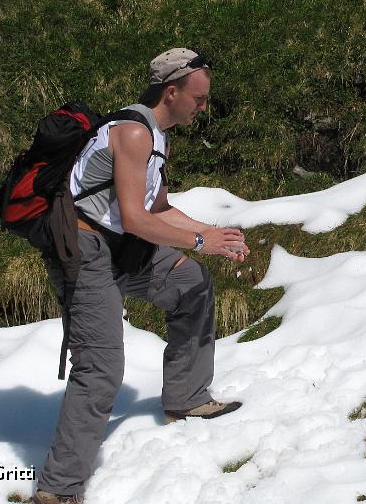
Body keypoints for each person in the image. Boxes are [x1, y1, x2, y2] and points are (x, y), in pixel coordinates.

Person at [33, 48, 250, 504]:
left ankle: (186, 397)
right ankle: (57, 490)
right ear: (172, 92)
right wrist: (197, 243)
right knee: (101, 369)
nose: (204, 107)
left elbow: (159, 209)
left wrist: (212, 232)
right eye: (200, 98)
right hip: (86, 249)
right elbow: (134, 218)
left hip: (121, 246)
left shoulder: (157, 135)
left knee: (192, 284)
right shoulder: (132, 133)